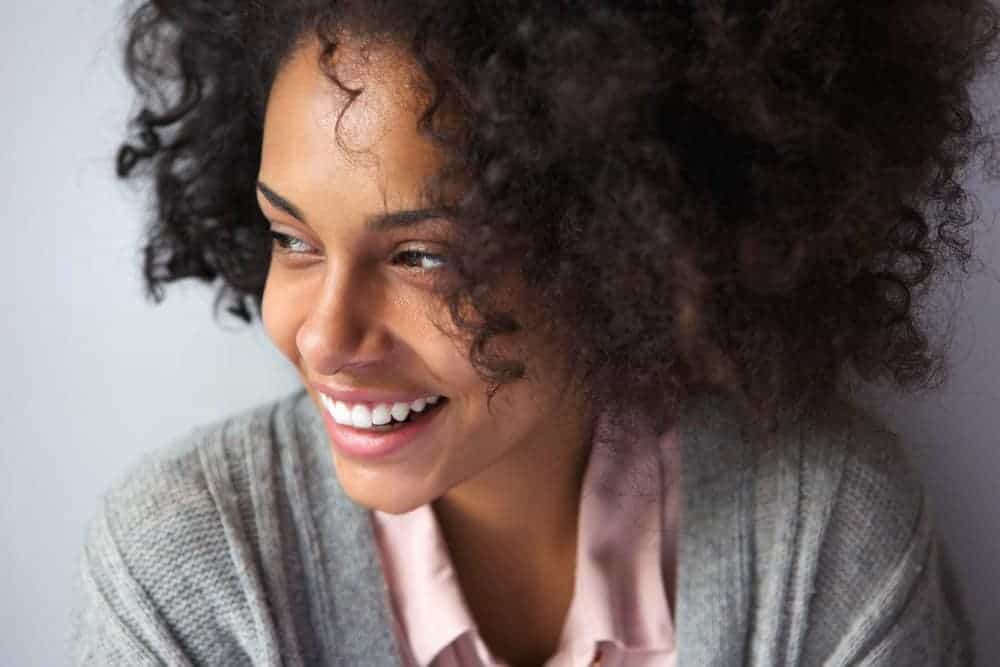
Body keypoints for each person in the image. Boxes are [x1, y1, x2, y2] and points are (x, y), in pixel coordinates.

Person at [72, 1, 999, 665]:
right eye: (293, 239)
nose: (324, 335)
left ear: (616, 247)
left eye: (424, 257)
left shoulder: (825, 536)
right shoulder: (184, 576)